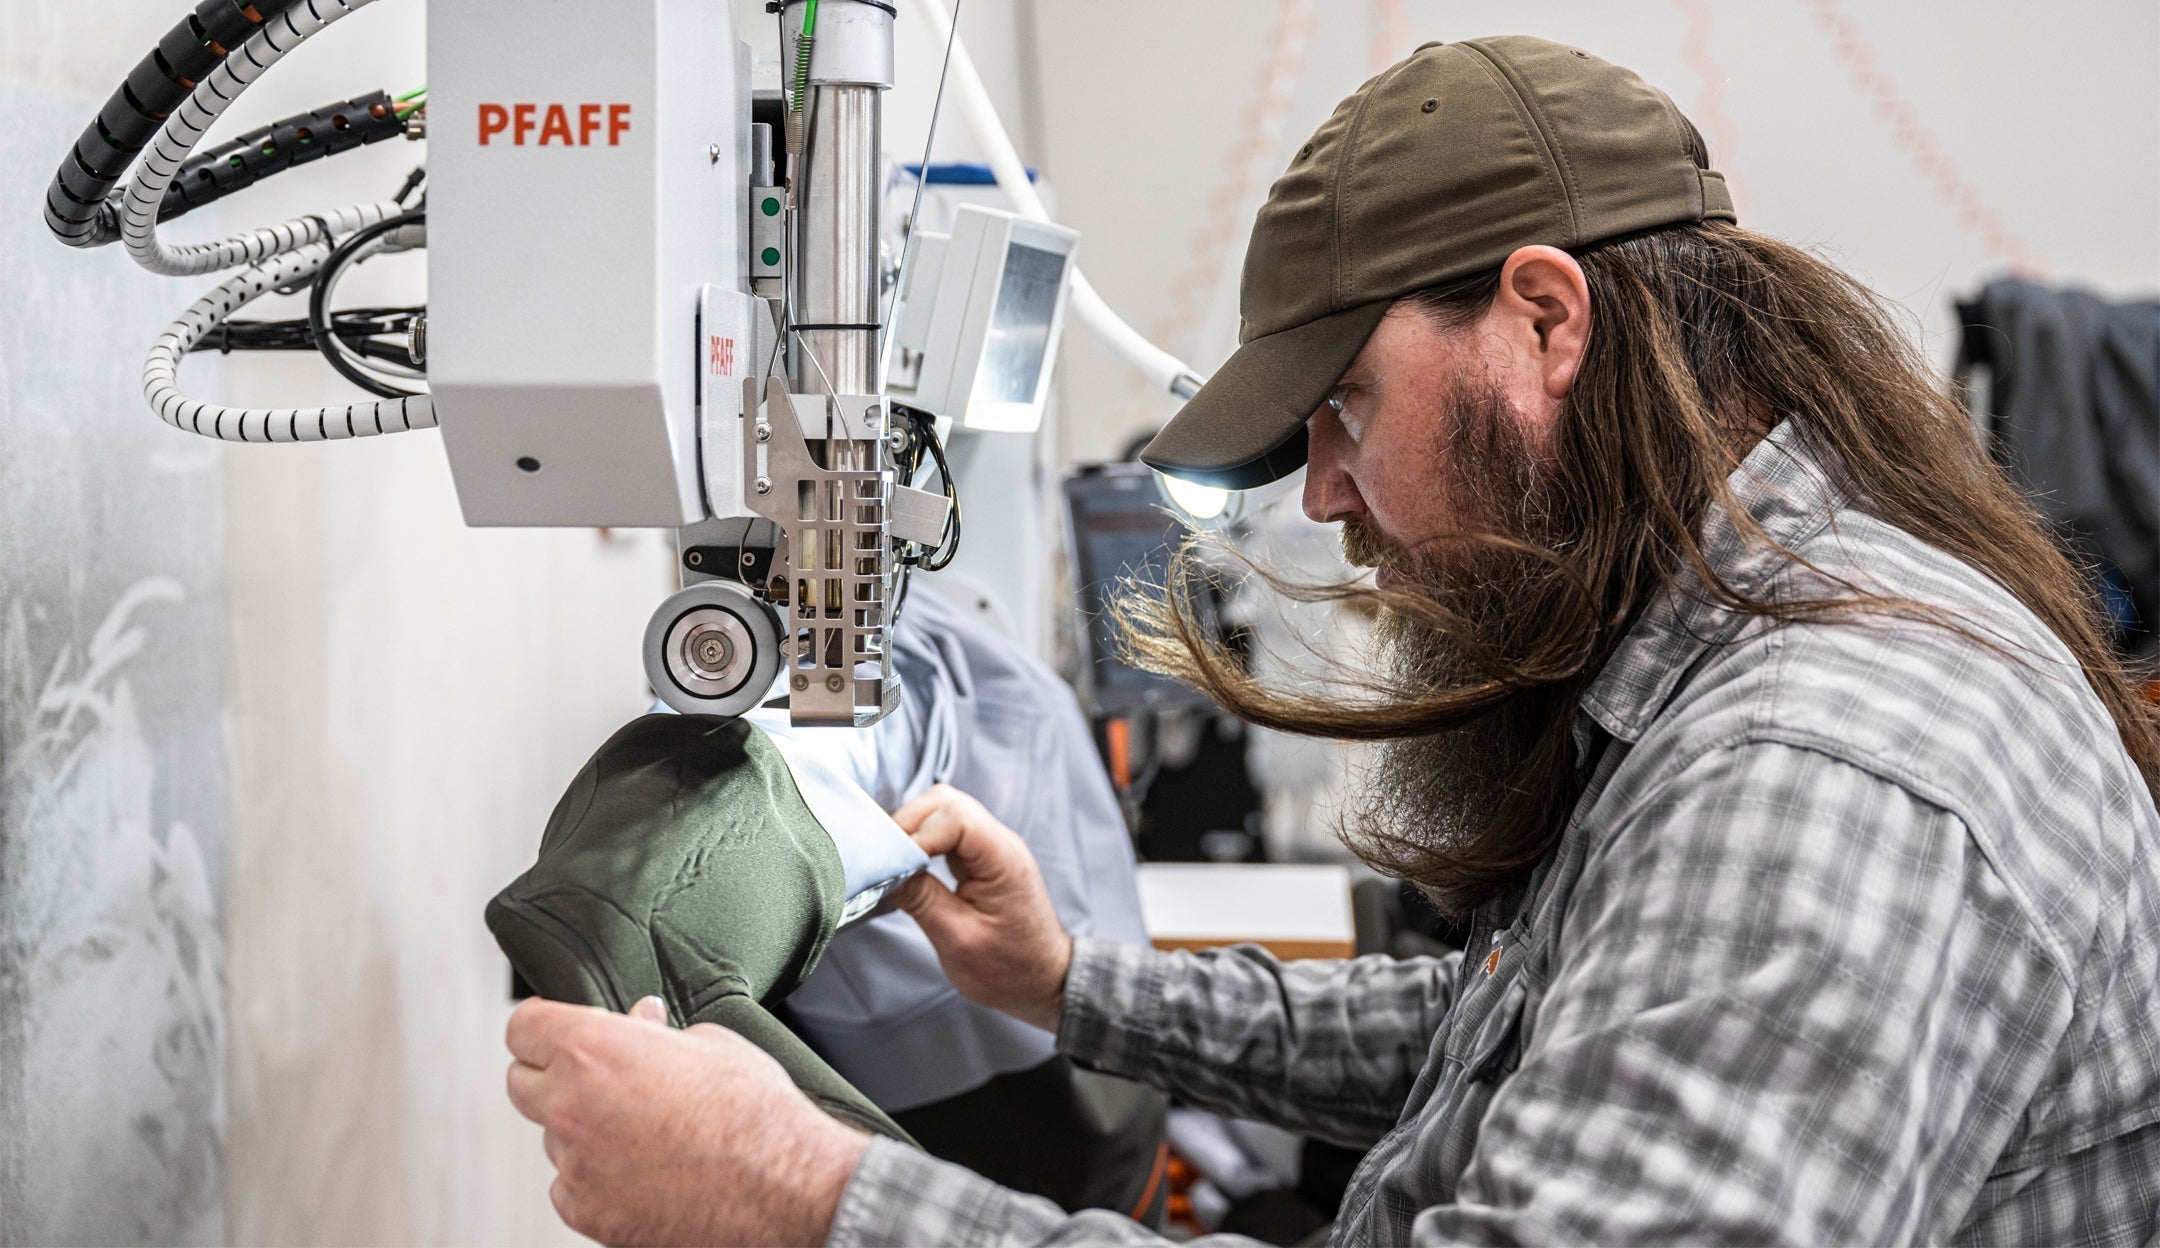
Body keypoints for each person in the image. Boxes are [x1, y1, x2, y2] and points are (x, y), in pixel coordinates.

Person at [502, 35, 2160, 1245]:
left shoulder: (1819, 772)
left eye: (1346, 407)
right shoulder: (1742, 642)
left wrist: (805, 1190)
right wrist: (1073, 990)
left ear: (1545, 318)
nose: (1332, 494)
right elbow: (1513, 1037)